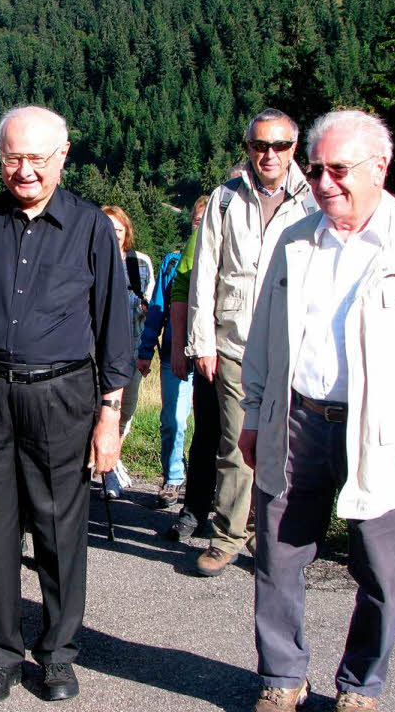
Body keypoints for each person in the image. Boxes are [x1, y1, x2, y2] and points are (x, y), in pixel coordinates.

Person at [240, 110, 395, 712]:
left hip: (384, 432)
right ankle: (283, 678)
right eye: (316, 170)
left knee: (380, 571)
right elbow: (264, 338)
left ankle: (360, 687)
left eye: (338, 170)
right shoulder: (294, 240)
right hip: (298, 420)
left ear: (380, 168)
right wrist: (255, 414)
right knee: (278, 557)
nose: (324, 183)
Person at [0, 105, 133, 704]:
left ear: (62, 157)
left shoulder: (92, 227)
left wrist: (109, 419)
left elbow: (114, 330)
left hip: (64, 396)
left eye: (37, 159)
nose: (24, 171)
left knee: (58, 531)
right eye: (13, 158)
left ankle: (56, 655)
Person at [185, 108, 316, 576]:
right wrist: (202, 342)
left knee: (287, 447)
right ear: (249, 148)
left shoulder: (312, 201)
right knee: (236, 443)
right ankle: (226, 536)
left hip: (293, 346)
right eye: (260, 145)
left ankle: (272, 535)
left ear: (293, 149)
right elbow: (204, 274)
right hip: (235, 342)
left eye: (279, 146)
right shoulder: (224, 200)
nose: (269, 155)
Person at [138, 198, 208, 508]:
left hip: (211, 354)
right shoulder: (171, 263)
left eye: (206, 222)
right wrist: (144, 350)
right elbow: (156, 311)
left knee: (211, 425)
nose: (200, 227)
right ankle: (173, 478)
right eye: (197, 222)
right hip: (174, 354)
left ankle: (209, 483)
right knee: (173, 420)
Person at [165, 196, 220, 537]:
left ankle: (246, 520)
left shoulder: (295, 216)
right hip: (213, 348)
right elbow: (182, 287)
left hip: (269, 351)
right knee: (207, 434)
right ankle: (196, 510)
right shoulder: (206, 231)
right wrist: (179, 344)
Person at [99, 206, 153, 499]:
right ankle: (107, 474)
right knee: (100, 411)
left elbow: (151, 305)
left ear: (126, 233)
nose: (113, 235)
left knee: (126, 413)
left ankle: (111, 458)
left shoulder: (140, 264)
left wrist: (147, 352)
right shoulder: (90, 258)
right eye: (107, 228)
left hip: (131, 352)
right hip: (96, 357)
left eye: (118, 230)